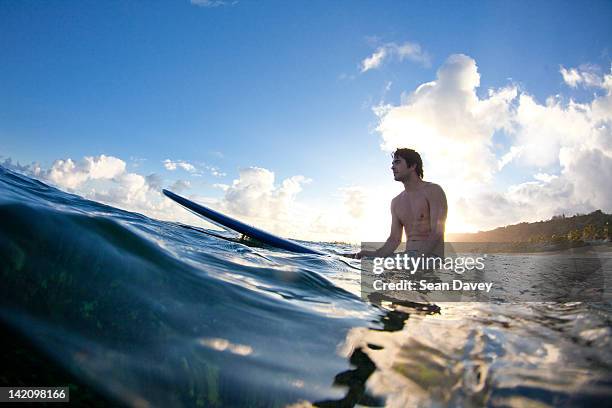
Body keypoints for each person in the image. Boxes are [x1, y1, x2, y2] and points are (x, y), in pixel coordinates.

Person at [352, 148, 447, 259]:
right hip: (408, 257)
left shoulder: (433, 190)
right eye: (392, 163)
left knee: (391, 270)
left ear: (412, 166)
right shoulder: (396, 202)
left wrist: (417, 260)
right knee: (367, 261)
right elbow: (394, 240)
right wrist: (371, 255)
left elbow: (437, 232)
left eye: (397, 162)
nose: (392, 167)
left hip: (431, 258)